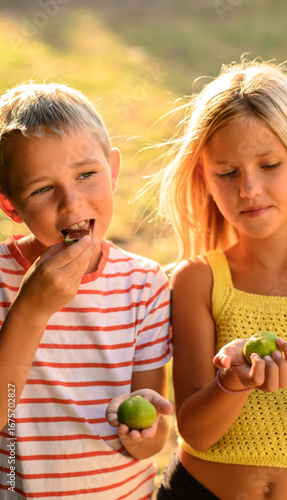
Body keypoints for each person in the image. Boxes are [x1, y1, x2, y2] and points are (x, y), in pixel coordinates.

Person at [155, 59, 287, 500]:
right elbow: (196, 433)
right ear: (205, 179)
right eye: (227, 172)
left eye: (269, 164)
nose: (249, 188)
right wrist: (231, 381)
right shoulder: (199, 280)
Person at [0, 82, 173, 499]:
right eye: (42, 189)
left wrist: (145, 432)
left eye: (86, 175)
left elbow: (153, 427)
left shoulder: (144, 285)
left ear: (112, 171)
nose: (72, 203)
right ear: (10, 206)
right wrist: (31, 309)